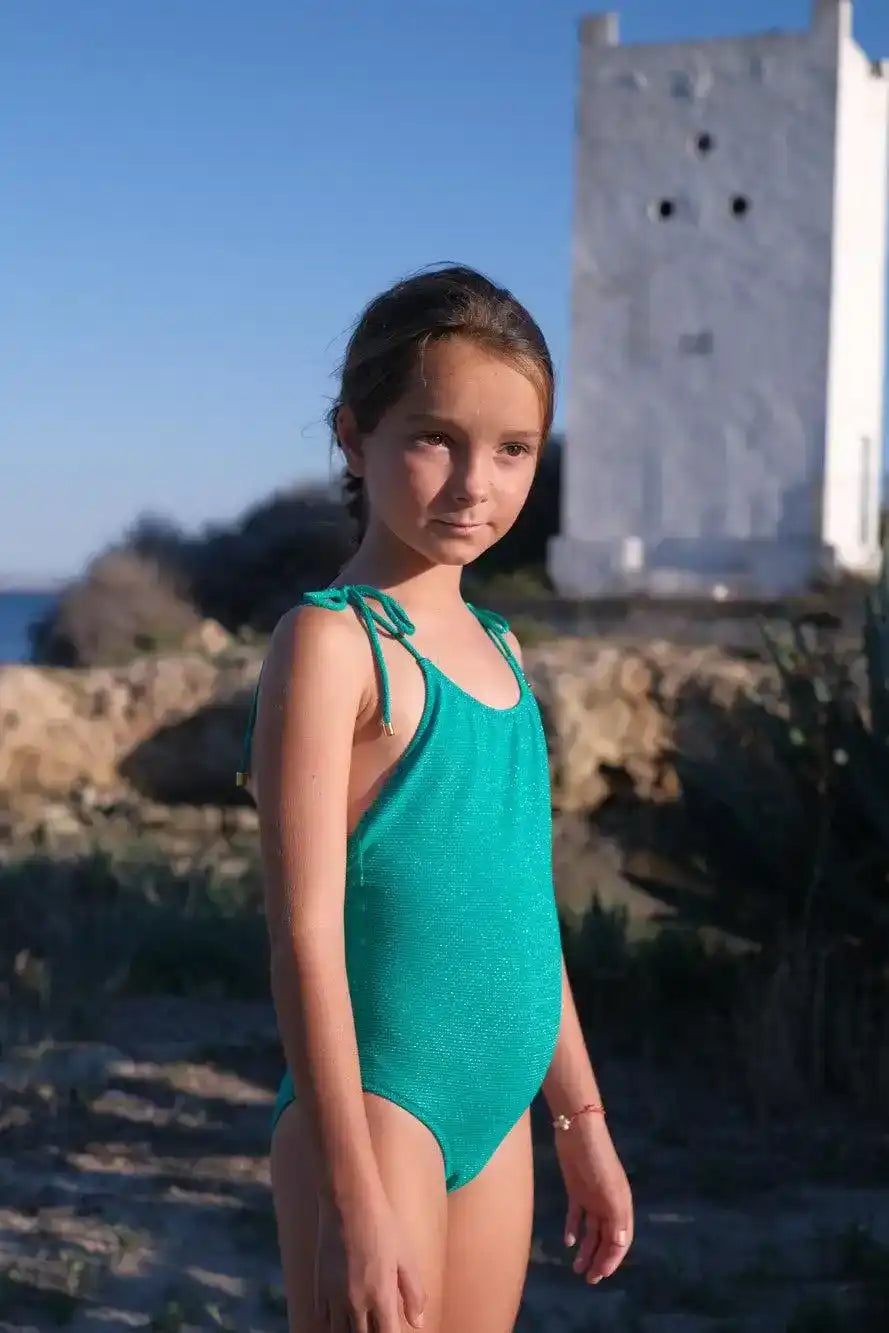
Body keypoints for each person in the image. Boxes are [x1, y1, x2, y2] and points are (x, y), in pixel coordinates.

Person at [237, 265, 633, 1333]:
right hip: (378, 1110)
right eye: (434, 439)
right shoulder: (333, 644)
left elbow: (524, 911)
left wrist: (581, 1119)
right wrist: (353, 1195)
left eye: (512, 449)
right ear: (353, 436)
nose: (474, 484)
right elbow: (303, 936)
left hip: (499, 1109)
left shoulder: (503, 650)